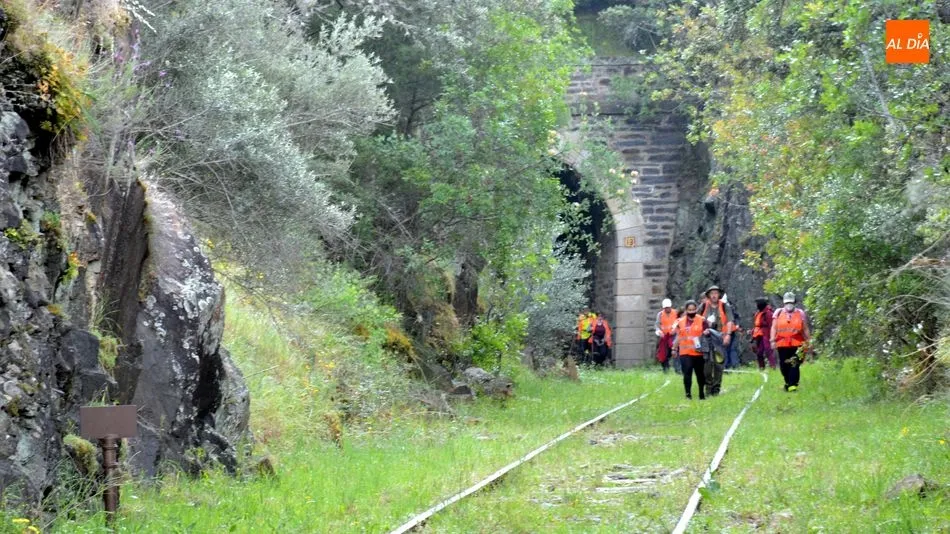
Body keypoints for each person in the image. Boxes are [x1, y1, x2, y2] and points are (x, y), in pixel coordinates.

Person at [698, 285, 735, 396]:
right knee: (707, 365)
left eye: (716, 293)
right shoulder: (703, 306)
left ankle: (716, 389)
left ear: (719, 295)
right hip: (706, 338)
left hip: (720, 338)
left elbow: (730, 321)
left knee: (719, 364)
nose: (714, 295)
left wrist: (728, 335)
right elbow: (695, 319)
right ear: (708, 295)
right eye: (712, 293)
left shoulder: (725, 306)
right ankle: (708, 388)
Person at [770, 292, 811, 391]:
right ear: (784, 303)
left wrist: (809, 341)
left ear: (794, 302)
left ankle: (793, 385)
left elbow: (805, 328)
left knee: (794, 363)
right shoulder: (778, 313)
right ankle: (788, 383)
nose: (789, 304)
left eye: (791, 302)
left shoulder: (800, 313)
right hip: (782, 344)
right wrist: (772, 340)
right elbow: (774, 328)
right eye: (787, 302)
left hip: (798, 344)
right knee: (784, 365)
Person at [671, 300, 708, 399]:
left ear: (696, 309)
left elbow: (707, 333)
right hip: (685, 353)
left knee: (700, 374)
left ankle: (701, 393)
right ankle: (688, 394)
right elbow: (678, 336)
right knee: (687, 373)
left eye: (693, 309)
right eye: (689, 310)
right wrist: (674, 348)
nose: (691, 312)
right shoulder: (680, 322)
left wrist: (707, 332)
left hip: (698, 352)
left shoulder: (702, 320)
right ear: (686, 310)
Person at [654, 298, 678, 373]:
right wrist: (659, 331)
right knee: (663, 353)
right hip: (664, 336)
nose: (667, 309)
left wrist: (676, 330)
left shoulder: (676, 313)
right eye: (665, 308)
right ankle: (665, 369)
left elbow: (680, 322)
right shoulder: (660, 314)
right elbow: (657, 325)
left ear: (671, 306)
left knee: (674, 351)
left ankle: (678, 369)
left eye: (668, 307)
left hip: (674, 336)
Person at [751, 297, 776, 369]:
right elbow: (756, 324)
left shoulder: (768, 313)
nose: (756, 305)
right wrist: (752, 331)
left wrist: (772, 337)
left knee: (768, 351)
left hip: (766, 335)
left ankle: (773, 367)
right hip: (758, 335)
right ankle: (761, 368)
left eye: (757, 303)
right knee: (759, 352)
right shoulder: (758, 313)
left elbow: (771, 325)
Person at [721, 293, 741, 369]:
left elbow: (736, 317)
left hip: (729, 331)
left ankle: (731, 365)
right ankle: (730, 365)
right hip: (726, 331)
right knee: (728, 349)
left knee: (729, 349)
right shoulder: (728, 308)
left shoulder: (728, 309)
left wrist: (737, 325)